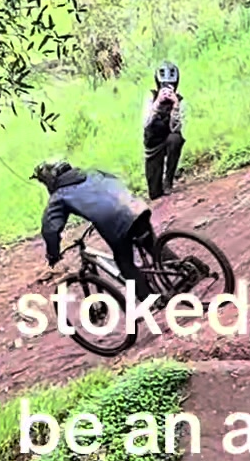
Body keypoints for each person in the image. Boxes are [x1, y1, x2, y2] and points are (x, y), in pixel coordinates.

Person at [31, 159, 155, 300]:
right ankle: (176, 272)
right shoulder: (92, 172)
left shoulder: (59, 196)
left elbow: (50, 230)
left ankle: (151, 301)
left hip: (117, 224)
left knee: (125, 263)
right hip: (136, 207)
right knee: (153, 245)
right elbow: (115, 183)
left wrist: (53, 254)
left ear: (50, 180)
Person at [142, 61, 185, 201]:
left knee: (175, 139)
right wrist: (157, 104)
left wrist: (175, 106)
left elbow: (176, 129)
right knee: (155, 194)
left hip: (168, 139)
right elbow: (146, 124)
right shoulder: (151, 97)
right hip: (153, 144)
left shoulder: (180, 101)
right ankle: (158, 185)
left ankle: (169, 180)